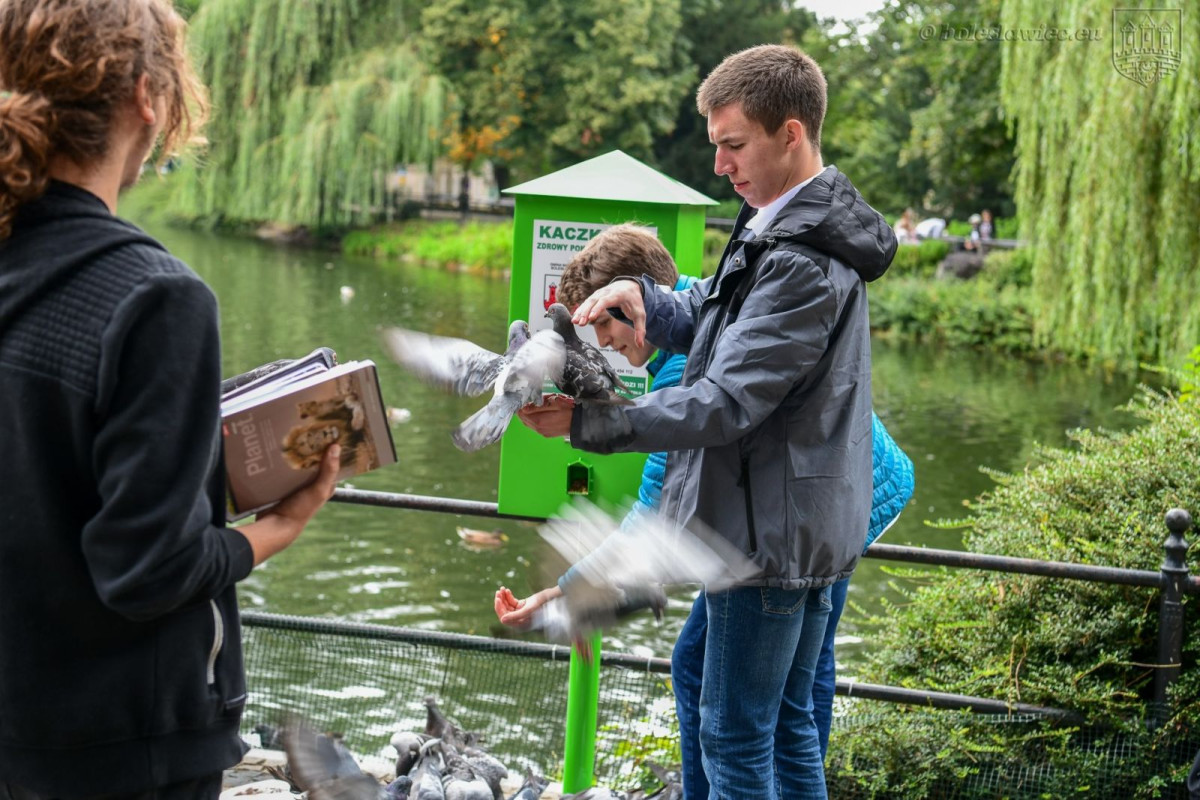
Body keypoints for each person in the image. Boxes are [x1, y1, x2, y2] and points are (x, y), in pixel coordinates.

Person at [517, 44, 896, 800]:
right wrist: (645, 298)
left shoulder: (799, 257)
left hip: (770, 533)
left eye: (733, 144)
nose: (720, 164)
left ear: (791, 134)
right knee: (786, 725)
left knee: (734, 732)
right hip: (799, 519)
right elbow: (717, 321)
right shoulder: (779, 227)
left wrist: (589, 425)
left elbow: (725, 401)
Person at [0, 2, 341, 797]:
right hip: (122, 747)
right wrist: (278, 528)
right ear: (149, 98)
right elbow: (146, 570)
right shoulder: (154, 299)